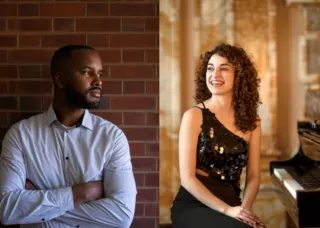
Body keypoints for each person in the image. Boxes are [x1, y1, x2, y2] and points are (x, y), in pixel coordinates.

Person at [0, 45, 137, 228]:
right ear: (61, 80)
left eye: (100, 74)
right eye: (87, 73)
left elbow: (122, 216)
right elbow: (7, 209)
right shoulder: (21, 135)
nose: (98, 82)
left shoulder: (112, 138)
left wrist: (36, 207)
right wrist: (83, 193)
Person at [170, 43, 267, 228]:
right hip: (194, 205)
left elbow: (254, 176)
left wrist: (243, 210)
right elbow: (187, 179)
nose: (214, 76)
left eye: (224, 69)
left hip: (233, 202)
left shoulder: (253, 122)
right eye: (210, 69)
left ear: (239, 76)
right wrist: (227, 211)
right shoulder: (193, 116)